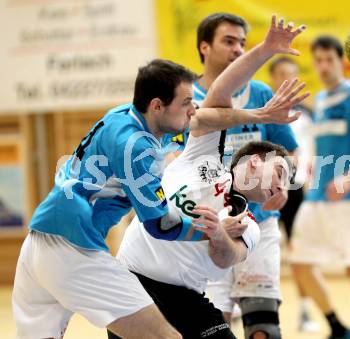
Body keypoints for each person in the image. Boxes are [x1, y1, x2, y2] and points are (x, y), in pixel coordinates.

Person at [12, 38, 302, 338]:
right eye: (186, 103)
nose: (193, 111)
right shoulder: (138, 149)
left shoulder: (128, 117)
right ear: (157, 105)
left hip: (41, 237)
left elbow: (207, 115)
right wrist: (212, 230)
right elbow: (160, 224)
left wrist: (260, 115)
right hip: (75, 244)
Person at [108, 15, 308, 339]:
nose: (283, 183)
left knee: (262, 326)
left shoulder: (249, 222)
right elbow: (218, 95)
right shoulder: (205, 153)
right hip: (133, 280)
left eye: (242, 43)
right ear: (256, 162)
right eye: (281, 172)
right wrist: (267, 49)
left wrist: (218, 235)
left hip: (185, 293)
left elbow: (230, 255)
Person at [193, 13, 302, 339]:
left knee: (263, 328)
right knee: (213, 328)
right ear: (204, 47)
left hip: (259, 224)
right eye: (228, 41)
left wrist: (285, 181)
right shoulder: (187, 101)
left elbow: (290, 153)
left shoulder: (261, 93)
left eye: (242, 42)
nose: (238, 49)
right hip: (209, 228)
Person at [290, 36, 350, 339]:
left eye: (330, 59)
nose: (324, 66)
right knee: (300, 263)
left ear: (340, 61)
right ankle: (339, 327)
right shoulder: (319, 101)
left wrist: (348, 177)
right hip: (316, 196)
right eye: (318, 60)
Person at [268, 56, 319, 333]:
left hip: (296, 189)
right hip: (262, 189)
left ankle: (306, 311)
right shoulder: (261, 110)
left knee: (300, 252)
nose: (287, 78)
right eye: (282, 74)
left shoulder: (308, 115)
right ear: (273, 78)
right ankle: (244, 305)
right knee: (254, 247)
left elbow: (311, 152)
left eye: (293, 74)